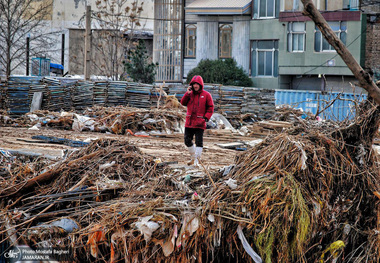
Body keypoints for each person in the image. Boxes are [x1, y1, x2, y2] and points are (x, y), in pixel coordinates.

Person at [180, 75, 214, 166]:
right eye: (194, 84)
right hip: (189, 122)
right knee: (187, 141)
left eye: (197, 84)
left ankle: (197, 160)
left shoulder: (206, 95)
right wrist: (187, 93)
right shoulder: (189, 94)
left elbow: (210, 107)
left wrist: (206, 117)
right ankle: (193, 158)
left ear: (200, 85)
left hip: (200, 122)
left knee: (199, 142)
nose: (195, 86)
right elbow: (182, 103)